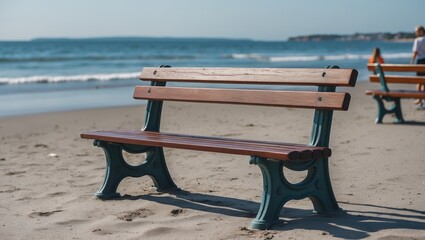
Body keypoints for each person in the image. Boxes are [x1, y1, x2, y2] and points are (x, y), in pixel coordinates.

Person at [411, 25, 425, 106]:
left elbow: (415, 52)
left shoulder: (417, 40)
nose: (416, 33)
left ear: (421, 31)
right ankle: (422, 98)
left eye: (417, 31)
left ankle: (419, 99)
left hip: (420, 61)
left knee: (419, 81)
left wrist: (412, 62)